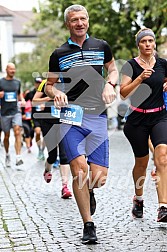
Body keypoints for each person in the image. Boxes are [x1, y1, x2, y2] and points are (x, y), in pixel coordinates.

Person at [45, 4, 118, 244]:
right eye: (74, 19)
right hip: (71, 116)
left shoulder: (101, 46)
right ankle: (88, 224)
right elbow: (48, 85)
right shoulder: (58, 53)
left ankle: (90, 190)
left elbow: (113, 70)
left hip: (97, 116)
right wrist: (55, 91)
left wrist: (110, 84)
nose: (80, 23)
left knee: (98, 177)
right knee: (78, 169)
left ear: (88, 21)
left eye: (83, 18)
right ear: (68, 23)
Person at [120, 27, 167, 222]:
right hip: (137, 120)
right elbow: (123, 92)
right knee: (142, 163)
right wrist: (140, 78)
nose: (147, 45)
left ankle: (163, 207)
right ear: (138, 44)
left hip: (160, 116)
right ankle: (138, 199)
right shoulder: (130, 66)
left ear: (154, 43)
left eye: (150, 41)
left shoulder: (163, 64)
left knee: (163, 157)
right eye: (143, 42)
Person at [32, 79, 72, 199]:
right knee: (52, 155)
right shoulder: (46, 83)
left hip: (64, 122)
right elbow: (34, 101)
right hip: (48, 123)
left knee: (64, 156)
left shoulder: (68, 81)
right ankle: (47, 170)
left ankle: (65, 187)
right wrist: (48, 98)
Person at [0, 62, 25, 167]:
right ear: (6, 69)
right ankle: (7, 154)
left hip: (15, 111)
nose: (13, 71)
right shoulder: (1, 82)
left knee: (17, 131)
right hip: (4, 113)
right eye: (11, 69)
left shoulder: (17, 82)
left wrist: (22, 100)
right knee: (6, 136)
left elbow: (19, 94)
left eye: (14, 69)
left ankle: (18, 157)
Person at [24, 77, 45, 160]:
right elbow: (24, 102)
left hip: (44, 116)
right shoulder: (30, 93)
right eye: (37, 83)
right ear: (35, 84)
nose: (38, 84)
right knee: (38, 132)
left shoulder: (45, 92)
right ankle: (39, 149)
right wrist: (24, 112)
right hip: (35, 116)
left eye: (40, 83)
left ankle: (42, 150)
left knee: (46, 135)